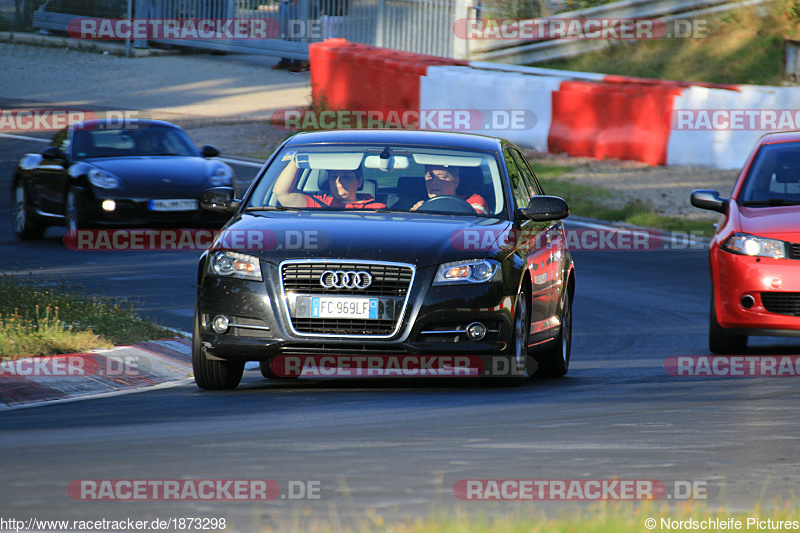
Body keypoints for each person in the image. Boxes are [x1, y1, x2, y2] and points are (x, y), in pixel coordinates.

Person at [273, 157, 385, 209]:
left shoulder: (376, 208)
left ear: (359, 181)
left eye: (346, 176)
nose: (339, 181)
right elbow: (281, 192)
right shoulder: (319, 203)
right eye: (334, 176)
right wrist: (299, 157)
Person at [411, 165, 488, 214]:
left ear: (455, 182)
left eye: (441, 177)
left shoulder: (473, 201)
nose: (434, 182)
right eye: (430, 177)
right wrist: (414, 214)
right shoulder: (418, 206)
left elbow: (476, 222)